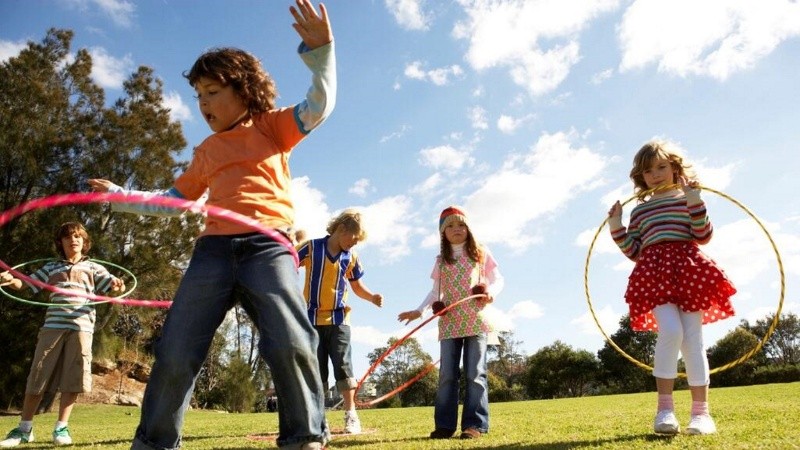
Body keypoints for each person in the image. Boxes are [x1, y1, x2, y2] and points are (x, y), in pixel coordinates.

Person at [87, 1, 336, 448]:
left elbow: (319, 105)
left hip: (267, 246)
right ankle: (154, 442)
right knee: (176, 350)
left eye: (212, 91)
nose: (203, 103)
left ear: (243, 88)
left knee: (290, 340)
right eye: (197, 95)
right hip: (214, 252)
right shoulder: (206, 150)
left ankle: (304, 437)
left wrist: (322, 54)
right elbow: (173, 201)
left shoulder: (272, 127)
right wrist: (121, 197)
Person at [608, 139, 736, 436]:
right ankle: (664, 410)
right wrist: (617, 224)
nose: (655, 174)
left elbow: (703, 235)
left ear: (675, 168)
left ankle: (701, 414)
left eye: (661, 167)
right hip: (654, 273)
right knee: (672, 330)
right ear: (641, 177)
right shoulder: (640, 211)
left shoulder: (687, 198)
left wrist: (694, 200)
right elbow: (634, 251)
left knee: (693, 340)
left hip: (689, 271)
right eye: (648, 171)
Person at [0, 222, 125, 448]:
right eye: (68, 237)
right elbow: (24, 284)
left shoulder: (95, 267)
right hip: (52, 327)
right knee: (38, 374)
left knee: (73, 378)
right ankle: (24, 429)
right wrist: (9, 280)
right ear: (61, 242)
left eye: (78, 236)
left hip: (82, 328)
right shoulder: (51, 267)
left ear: (84, 242)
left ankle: (61, 427)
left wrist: (118, 285)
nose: (73, 240)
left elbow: (113, 287)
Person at [397, 206, 504, 440]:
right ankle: (445, 426)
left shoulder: (480, 253)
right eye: (450, 226)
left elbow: (498, 278)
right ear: (442, 233)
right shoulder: (441, 261)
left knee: (475, 373)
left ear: (469, 228)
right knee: (447, 374)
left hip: (476, 319)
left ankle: (474, 425)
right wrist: (419, 311)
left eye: (461, 225)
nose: (457, 229)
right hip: (450, 322)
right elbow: (435, 292)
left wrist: (490, 292)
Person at [297, 209, 383, 434]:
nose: (354, 245)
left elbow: (356, 286)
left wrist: (372, 296)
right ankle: (317, 418)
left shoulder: (351, 257)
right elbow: (288, 262)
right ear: (341, 229)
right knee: (316, 369)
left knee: (343, 365)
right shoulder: (312, 248)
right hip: (312, 318)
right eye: (353, 239)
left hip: (339, 319)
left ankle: (350, 414)